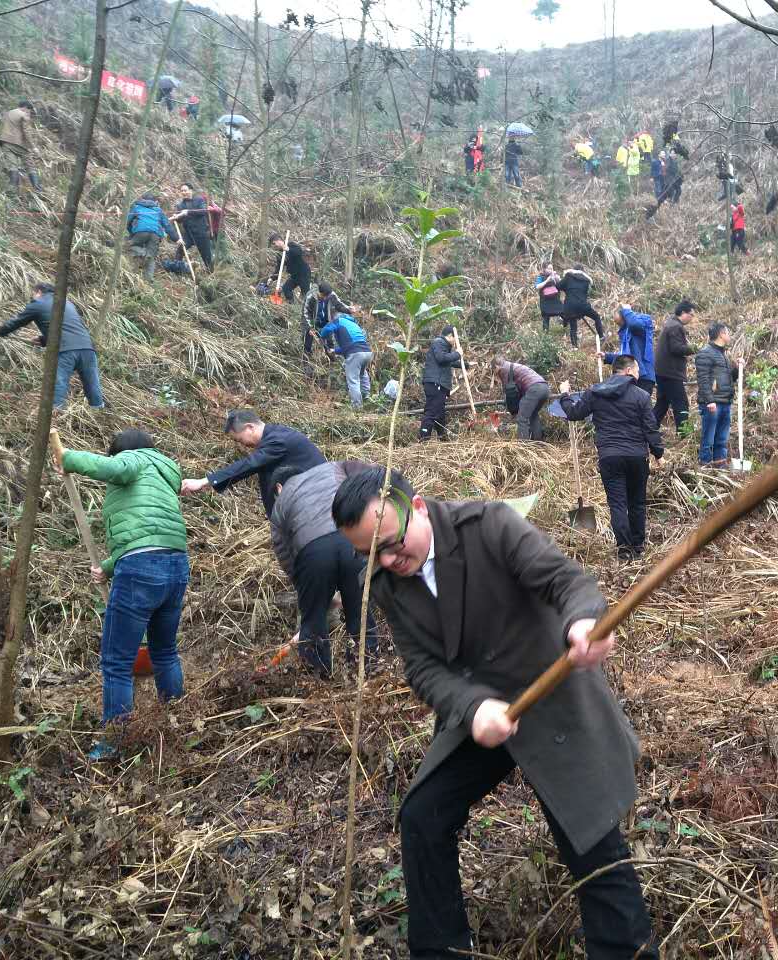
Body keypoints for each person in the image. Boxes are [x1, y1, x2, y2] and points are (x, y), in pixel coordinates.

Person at [332, 468, 655, 958]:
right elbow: (421, 667)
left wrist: (584, 621)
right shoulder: (383, 579)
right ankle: (442, 949)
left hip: (551, 697)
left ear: (417, 507)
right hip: (484, 713)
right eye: (369, 554)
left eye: (393, 544)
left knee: (590, 840)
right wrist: (472, 706)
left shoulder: (488, 526)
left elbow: (565, 581)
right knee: (424, 816)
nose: (389, 561)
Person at [58, 430, 188, 761]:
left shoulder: (134, 460)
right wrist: (110, 565)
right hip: (175, 566)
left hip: (141, 570)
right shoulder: (164, 470)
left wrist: (69, 459)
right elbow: (149, 532)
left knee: (117, 662)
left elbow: (115, 469)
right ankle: (178, 722)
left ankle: (117, 741)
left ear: (121, 453)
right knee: (165, 651)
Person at [270, 461, 379, 677]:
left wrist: (306, 587)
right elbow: (369, 479)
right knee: (360, 612)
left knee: (313, 621)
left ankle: (319, 681)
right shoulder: (332, 468)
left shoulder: (281, 501)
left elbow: (282, 550)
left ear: (278, 488)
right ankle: (369, 670)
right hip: (351, 539)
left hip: (312, 553)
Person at [559, 356, 664, 561]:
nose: (639, 374)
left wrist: (565, 394)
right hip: (636, 456)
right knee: (637, 503)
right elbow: (650, 428)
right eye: (636, 370)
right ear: (626, 371)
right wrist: (658, 453)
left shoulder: (595, 392)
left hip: (609, 457)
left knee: (617, 504)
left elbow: (573, 413)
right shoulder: (641, 396)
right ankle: (638, 547)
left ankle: (624, 550)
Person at [179, 411, 325, 518]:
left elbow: (249, 465)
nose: (241, 444)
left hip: (317, 503)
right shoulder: (274, 435)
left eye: (239, 439)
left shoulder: (278, 441)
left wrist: (205, 481)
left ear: (250, 427)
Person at [0, 282, 105, 409]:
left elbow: (17, 322)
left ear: (39, 292)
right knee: (92, 385)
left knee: (58, 385)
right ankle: (99, 412)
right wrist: (43, 340)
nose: (33, 297)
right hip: (87, 348)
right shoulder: (67, 303)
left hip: (65, 350)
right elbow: (68, 327)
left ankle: (55, 418)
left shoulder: (38, 303)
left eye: (33, 294)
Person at [695, 322, 737, 467]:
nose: (729, 336)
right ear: (721, 334)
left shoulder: (722, 354)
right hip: (713, 403)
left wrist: (737, 368)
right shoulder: (705, 353)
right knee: (709, 438)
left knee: (721, 438)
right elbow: (703, 379)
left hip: (725, 401)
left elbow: (729, 379)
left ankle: (720, 466)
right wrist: (709, 400)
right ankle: (705, 465)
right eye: (727, 332)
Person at [653, 300, 696, 432]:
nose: (692, 318)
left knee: (662, 404)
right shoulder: (675, 327)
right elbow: (676, 348)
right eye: (691, 314)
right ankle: (685, 434)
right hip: (670, 373)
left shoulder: (671, 323)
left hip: (663, 372)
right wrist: (693, 348)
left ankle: (646, 430)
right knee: (681, 404)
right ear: (683, 313)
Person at [317, 312, 375, 409]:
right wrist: (334, 351)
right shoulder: (353, 324)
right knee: (362, 374)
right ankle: (366, 397)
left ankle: (357, 407)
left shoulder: (339, 320)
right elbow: (349, 345)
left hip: (355, 353)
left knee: (353, 381)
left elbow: (327, 329)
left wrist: (321, 336)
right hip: (367, 353)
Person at [420, 325, 463, 442]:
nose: (455, 342)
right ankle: (423, 439)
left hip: (438, 384)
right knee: (432, 411)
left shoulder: (443, 346)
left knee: (440, 412)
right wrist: (457, 353)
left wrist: (466, 365)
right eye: (454, 338)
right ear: (449, 336)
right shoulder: (438, 342)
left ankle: (442, 437)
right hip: (435, 383)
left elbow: (448, 361)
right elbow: (442, 358)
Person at [602, 304, 656, 396]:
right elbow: (625, 357)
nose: (620, 325)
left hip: (643, 377)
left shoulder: (643, 322)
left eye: (621, 322)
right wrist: (606, 357)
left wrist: (627, 310)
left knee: (639, 407)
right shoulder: (625, 332)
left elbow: (634, 324)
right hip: (631, 376)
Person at [492, 358, 550, 441]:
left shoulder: (504, 370)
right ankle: (538, 444)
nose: (495, 374)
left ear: (496, 366)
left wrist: (513, 409)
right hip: (544, 388)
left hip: (534, 389)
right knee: (533, 415)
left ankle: (523, 447)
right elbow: (515, 389)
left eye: (493, 371)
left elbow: (508, 392)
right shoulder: (513, 366)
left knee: (522, 418)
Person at [126, 192, 179, 282]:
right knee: (151, 257)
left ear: (142, 199)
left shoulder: (137, 207)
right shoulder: (158, 210)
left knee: (127, 246)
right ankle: (148, 280)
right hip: (156, 234)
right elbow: (167, 225)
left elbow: (127, 221)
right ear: (155, 201)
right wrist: (176, 239)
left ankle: (142, 253)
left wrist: (131, 232)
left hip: (141, 232)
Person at [303, 282, 353, 372]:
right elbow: (306, 313)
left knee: (329, 344)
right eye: (323, 296)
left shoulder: (331, 295)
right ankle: (306, 364)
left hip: (326, 322)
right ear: (319, 292)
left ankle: (333, 364)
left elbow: (339, 305)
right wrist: (310, 327)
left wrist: (349, 309)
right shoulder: (310, 296)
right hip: (312, 322)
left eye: (327, 296)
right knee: (307, 344)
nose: (325, 298)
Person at [0, 100, 39, 192]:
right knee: (30, 165)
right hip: (19, 144)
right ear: (25, 107)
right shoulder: (23, 114)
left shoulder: (8, 113)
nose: (28, 112)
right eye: (28, 110)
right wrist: (33, 147)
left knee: (12, 166)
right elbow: (26, 131)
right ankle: (38, 189)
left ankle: (12, 192)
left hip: (5, 143)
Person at [171, 182, 215, 271]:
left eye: (185, 190)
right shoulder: (180, 205)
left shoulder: (199, 200)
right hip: (189, 234)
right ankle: (177, 268)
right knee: (180, 249)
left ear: (191, 191)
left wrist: (188, 212)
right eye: (182, 191)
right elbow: (180, 220)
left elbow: (203, 211)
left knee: (207, 256)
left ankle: (211, 274)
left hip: (201, 233)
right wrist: (176, 217)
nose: (184, 192)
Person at [559, 265, 604, 346]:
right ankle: (601, 336)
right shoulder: (586, 281)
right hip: (582, 305)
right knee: (596, 317)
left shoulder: (568, 277)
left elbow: (558, 286)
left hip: (570, 306)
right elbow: (584, 292)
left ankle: (574, 346)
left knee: (573, 327)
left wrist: (567, 288)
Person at [270, 232, 312, 303]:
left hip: (303, 273)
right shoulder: (279, 254)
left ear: (279, 240)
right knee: (286, 289)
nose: (274, 246)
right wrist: (272, 278)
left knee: (305, 293)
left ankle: (308, 308)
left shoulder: (291, 245)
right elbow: (278, 269)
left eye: (274, 243)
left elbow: (299, 252)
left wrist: (288, 249)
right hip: (294, 276)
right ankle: (291, 303)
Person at [535, 264, 564, 332]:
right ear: (544, 269)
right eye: (549, 268)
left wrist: (558, 279)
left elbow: (561, 286)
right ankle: (545, 335)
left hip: (555, 300)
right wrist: (547, 281)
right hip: (545, 301)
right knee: (546, 317)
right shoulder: (540, 277)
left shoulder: (554, 276)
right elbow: (537, 287)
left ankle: (564, 325)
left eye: (552, 268)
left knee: (563, 312)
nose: (551, 270)